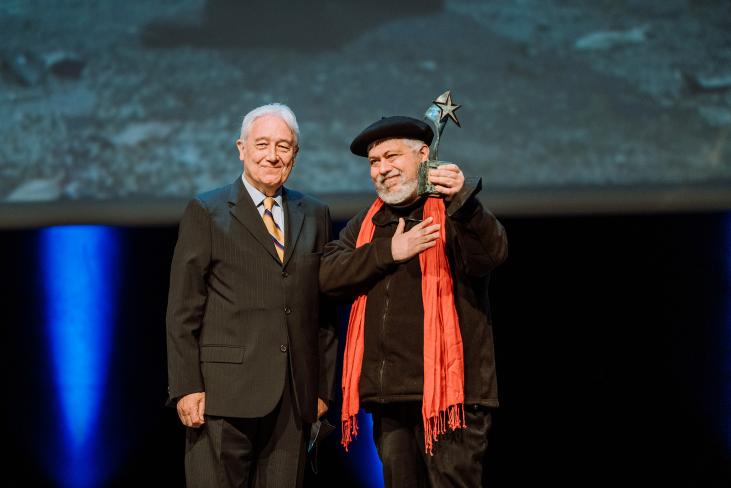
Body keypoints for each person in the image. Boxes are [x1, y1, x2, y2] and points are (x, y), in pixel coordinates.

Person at [319, 115, 508, 487]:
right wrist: (390, 250)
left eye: (392, 157)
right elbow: (327, 276)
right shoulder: (367, 225)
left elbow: (491, 255)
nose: (382, 169)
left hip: (453, 400)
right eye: (374, 162)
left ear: (424, 155)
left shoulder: (454, 212)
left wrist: (465, 204)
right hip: (390, 398)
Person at [166, 103, 337, 488]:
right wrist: (186, 386)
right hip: (222, 397)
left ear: (296, 154)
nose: (272, 155)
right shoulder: (207, 212)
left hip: (294, 400)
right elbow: (182, 310)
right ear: (241, 148)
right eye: (262, 144)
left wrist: (322, 388)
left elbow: (322, 311)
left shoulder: (315, 213)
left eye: (283, 146)